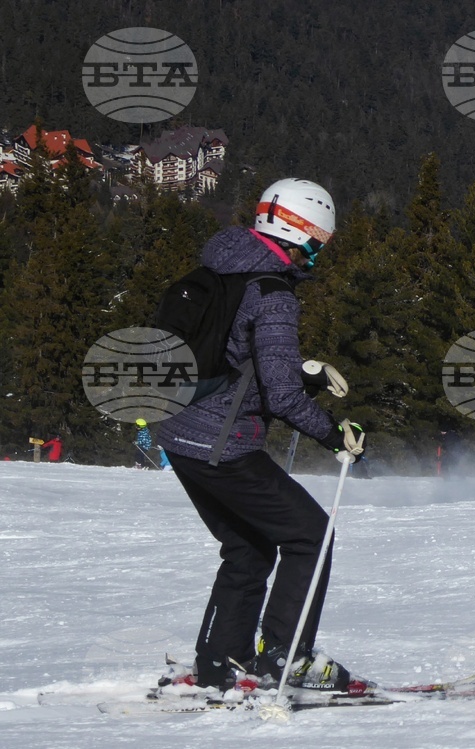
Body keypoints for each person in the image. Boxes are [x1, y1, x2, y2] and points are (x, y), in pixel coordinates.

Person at [157, 178, 365, 692]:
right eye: (320, 239)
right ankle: (285, 657)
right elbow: (282, 398)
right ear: (302, 232)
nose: (320, 251)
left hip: (179, 434)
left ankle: (219, 661)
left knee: (248, 548)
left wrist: (306, 370)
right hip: (222, 444)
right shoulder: (272, 292)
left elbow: (237, 354)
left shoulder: (223, 266)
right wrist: (336, 434)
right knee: (311, 536)